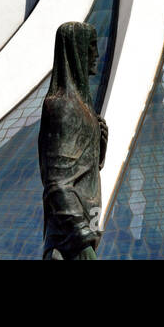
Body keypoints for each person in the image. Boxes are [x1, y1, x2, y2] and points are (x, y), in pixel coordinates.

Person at [38, 20, 107, 260]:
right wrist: (82, 239)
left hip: (83, 234)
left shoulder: (83, 109)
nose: (96, 54)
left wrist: (100, 144)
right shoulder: (63, 107)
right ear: (76, 50)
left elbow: (83, 170)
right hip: (70, 244)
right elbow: (57, 184)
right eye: (90, 46)